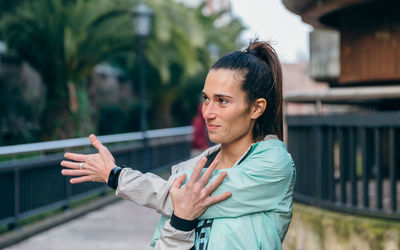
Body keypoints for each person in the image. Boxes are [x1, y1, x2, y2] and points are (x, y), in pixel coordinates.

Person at [61, 39, 296, 250]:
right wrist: (181, 223)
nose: (208, 113)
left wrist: (116, 176)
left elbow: (179, 197)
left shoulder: (273, 166)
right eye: (206, 99)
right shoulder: (187, 171)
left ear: (256, 108)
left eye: (222, 101)